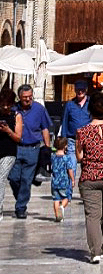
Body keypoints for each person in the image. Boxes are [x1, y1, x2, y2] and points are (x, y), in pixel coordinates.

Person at [74, 89, 103, 263]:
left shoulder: (82, 131)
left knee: (92, 216)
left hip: (89, 177)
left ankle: (95, 252)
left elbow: (79, 157)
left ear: (89, 109)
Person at [10, 83, 52, 219]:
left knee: (26, 180)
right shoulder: (13, 109)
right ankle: (20, 199)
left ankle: (21, 208)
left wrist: (47, 147)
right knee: (14, 178)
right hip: (16, 148)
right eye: (24, 97)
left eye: (30, 97)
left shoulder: (39, 109)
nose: (28, 99)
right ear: (19, 97)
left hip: (32, 148)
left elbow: (45, 128)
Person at [59, 79, 91, 178]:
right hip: (72, 139)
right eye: (78, 90)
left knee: (87, 166)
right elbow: (64, 121)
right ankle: (70, 188)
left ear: (86, 90)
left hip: (87, 139)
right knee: (71, 166)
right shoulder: (69, 104)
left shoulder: (91, 103)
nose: (80, 92)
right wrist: (63, 141)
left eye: (82, 89)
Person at [0, 87, 19, 217]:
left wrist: (8, 131)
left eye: (8, 104)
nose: (5, 107)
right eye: (3, 104)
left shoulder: (16, 116)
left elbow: (18, 138)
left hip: (9, 153)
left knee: (0, 179)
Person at [49, 137, 74, 221]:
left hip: (54, 182)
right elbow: (69, 170)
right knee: (66, 197)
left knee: (56, 199)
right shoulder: (66, 158)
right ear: (65, 146)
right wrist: (73, 179)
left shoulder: (53, 157)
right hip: (64, 182)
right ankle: (62, 206)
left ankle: (57, 216)